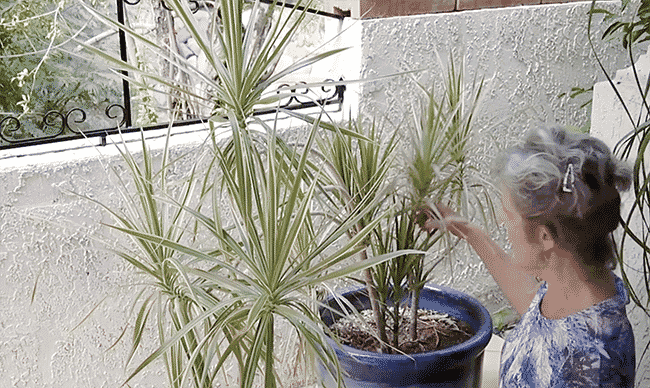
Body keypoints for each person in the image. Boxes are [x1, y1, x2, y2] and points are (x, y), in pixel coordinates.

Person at [420, 126, 635, 387]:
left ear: (546, 237)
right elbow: (538, 314)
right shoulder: (577, 284)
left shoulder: (588, 363)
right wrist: (468, 231)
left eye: (509, 215)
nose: (501, 221)